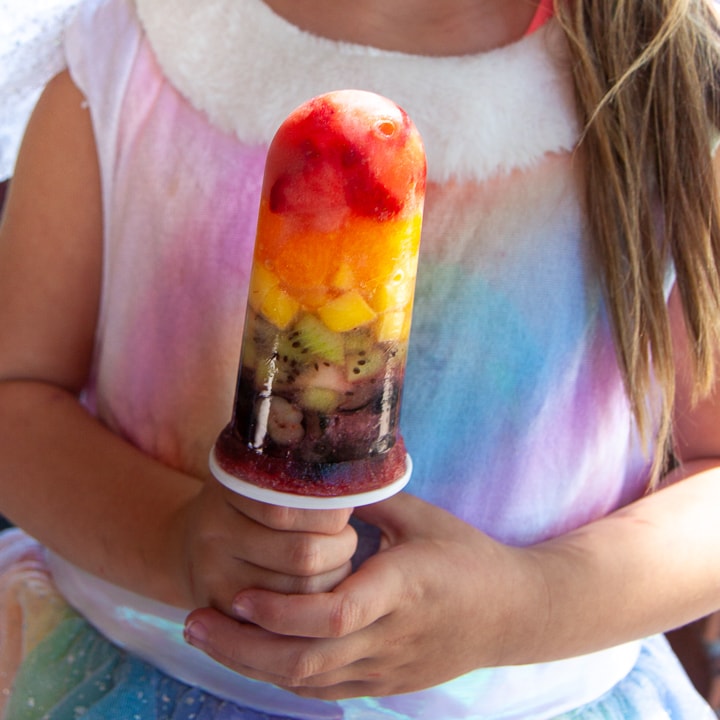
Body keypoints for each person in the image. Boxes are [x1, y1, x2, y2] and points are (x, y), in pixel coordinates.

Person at [0, 0, 719, 717]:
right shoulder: (138, 43)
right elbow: (17, 395)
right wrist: (169, 538)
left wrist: (527, 602)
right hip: (121, 660)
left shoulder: (678, 88)